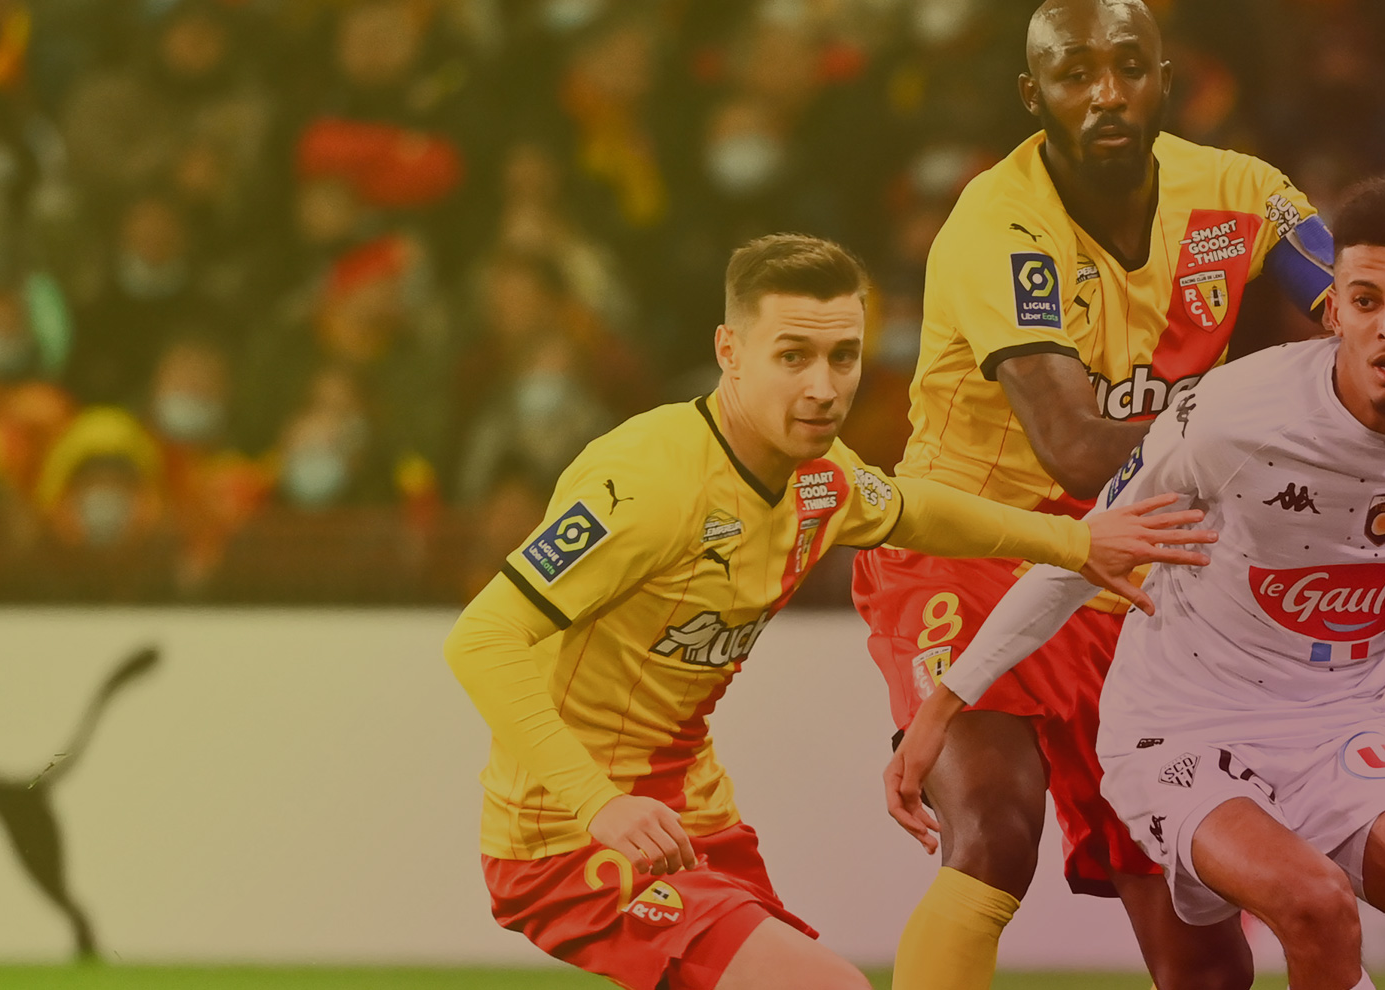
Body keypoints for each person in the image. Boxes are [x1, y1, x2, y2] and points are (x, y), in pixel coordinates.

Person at [850, 4, 1385, 988]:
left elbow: (1376, 337)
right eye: (1076, 74)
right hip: (974, 545)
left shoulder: (1241, 195)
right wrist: (1274, 460)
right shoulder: (1000, 223)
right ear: (1034, 95)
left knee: (1202, 954)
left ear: (1165, 80)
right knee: (994, 830)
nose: (1105, 93)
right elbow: (1075, 448)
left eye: (1127, 67)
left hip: (1145, 570)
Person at [442, 233, 1216, 990]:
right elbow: (481, 639)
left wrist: (1076, 541)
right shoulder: (650, 483)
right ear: (729, 351)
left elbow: (913, 509)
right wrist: (599, 805)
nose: (823, 387)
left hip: (692, 812)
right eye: (792, 357)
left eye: (843, 356)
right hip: (567, 835)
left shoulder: (819, 477)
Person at [888, 173, 1385, 990]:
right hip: (1181, 730)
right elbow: (1086, 553)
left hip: (1337, 727)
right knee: (1317, 905)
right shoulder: (1231, 418)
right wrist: (944, 705)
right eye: (1365, 301)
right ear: (1332, 311)